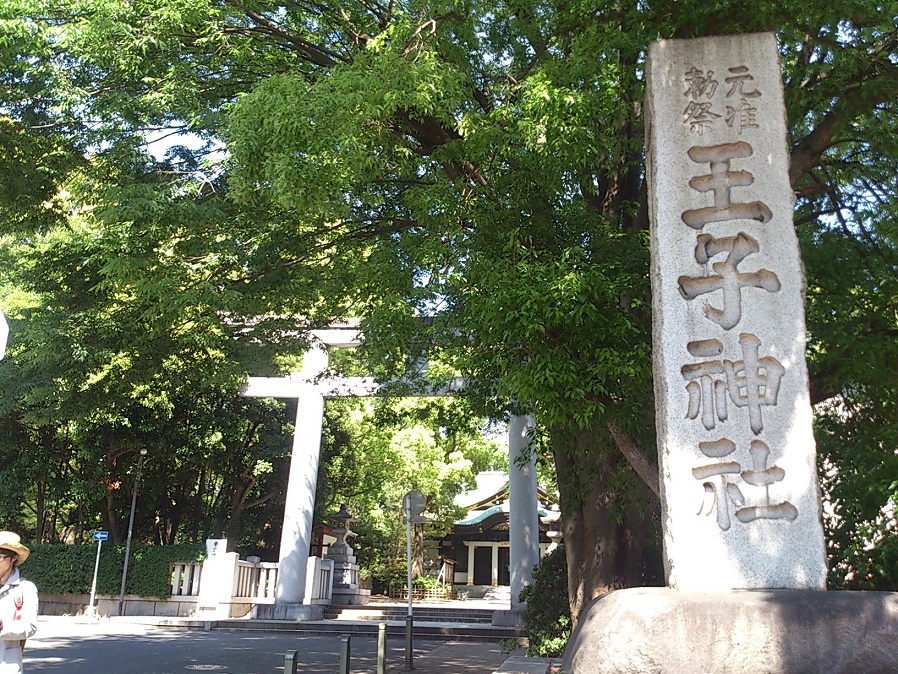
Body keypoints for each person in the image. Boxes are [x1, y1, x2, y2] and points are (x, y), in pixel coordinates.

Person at [0, 533, 37, 673]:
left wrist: (3, 627)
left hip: (6, 666)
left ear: (14, 558)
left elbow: (30, 626)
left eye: (0, 557)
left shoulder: (25, 588)